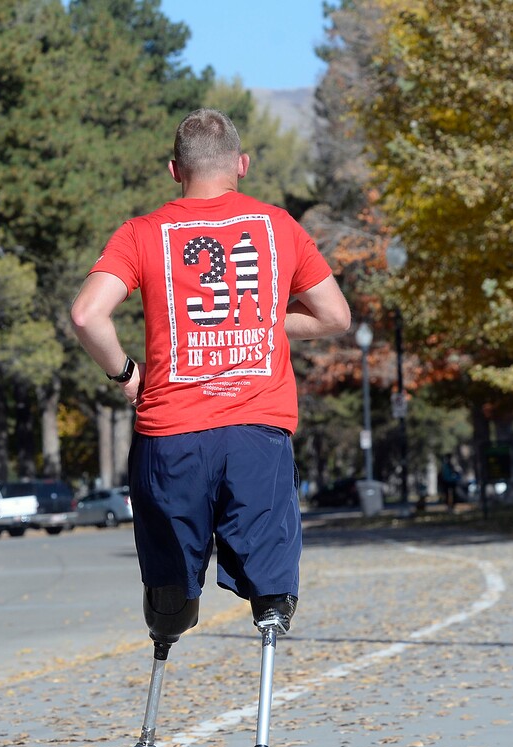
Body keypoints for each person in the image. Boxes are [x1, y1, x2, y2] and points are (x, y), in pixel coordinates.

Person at [71, 108, 350, 649]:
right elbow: (335, 317)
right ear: (241, 165)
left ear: (175, 169)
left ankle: (169, 618)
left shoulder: (141, 233)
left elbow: (87, 315)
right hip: (257, 432)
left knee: (170, 596)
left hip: (170, 435)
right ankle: (269, 620)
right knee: (270, 589)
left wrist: (126, 375)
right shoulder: (279, 226)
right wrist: (262, 314)